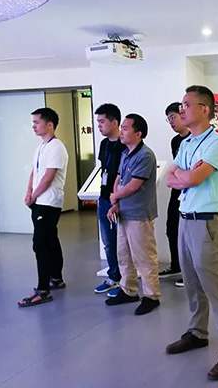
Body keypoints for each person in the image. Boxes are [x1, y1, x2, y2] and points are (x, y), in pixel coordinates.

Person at [165, 85, 218, 381]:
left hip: (207, 222)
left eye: (187, 104)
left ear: (205, 109)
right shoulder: (186, 143)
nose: (181, 109)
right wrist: (185, 176)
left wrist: (186, 176)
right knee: (192, 283)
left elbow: (193, 178)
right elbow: (169, 177)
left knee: (216, 287)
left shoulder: (217, 143)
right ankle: (197, 332)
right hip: (186, 219)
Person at [105, 113, 160, 316]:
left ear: (138, 133)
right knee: (124, 255)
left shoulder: (145, 155)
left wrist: (114, 196)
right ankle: (129, 290)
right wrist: (115, 202)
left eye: (126, 128)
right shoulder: (125, 153)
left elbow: (134, 185)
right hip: (124, 213)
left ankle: (152, 296)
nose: (121, 132)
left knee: (144, 257)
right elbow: (119, 179)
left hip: (139, 215)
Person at [18, 108, 68, 307]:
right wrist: (29, 192)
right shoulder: (41, 147)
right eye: (33, 122)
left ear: (50, 124)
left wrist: (34, 196)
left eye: (37, 122)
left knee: (41, 244)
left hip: (49, 202)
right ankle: (56, 277)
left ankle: (43, 290)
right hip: (39, 201)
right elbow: (35, 171)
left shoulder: (57, 147)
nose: (33, 126)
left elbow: (48, 177)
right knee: (50, 240)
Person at [94, 104, 126, 296]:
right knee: (108, 241)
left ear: (114, 122)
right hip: (104, 198)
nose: (99, 125)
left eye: (102, 121)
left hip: (120, 200)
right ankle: (114, 276)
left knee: (123, 242)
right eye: (97, 122)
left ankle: (126, 280)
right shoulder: (104, 144)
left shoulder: (125, 144)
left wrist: (117, 199)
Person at [158, 102, 189, 288]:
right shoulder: (175, 141)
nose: (171, 121)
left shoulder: (194, 139)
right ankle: (176, 264)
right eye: (168, 118)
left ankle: (189, 272)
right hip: (177, 188)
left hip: (190, 189)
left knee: (188, 233)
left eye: (173, 117)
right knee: (172, 227)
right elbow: (176, 167)